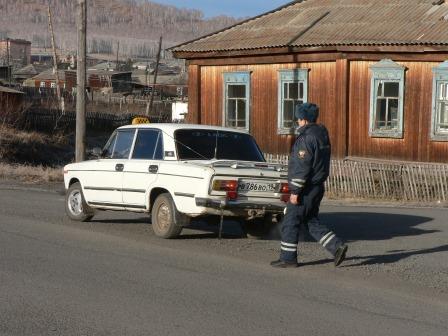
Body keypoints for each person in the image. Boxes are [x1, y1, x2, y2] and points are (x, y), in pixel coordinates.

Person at [271, 103, 348, 268]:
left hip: (305, 189)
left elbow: (302, 167)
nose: (297, 122)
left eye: (298, 119)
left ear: (304, 120)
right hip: (317, 187)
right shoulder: (321, 135)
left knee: (290, 222)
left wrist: (295, 191)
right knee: (310, 220)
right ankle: (337, 247)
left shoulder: (306, 138)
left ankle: (288, 258)